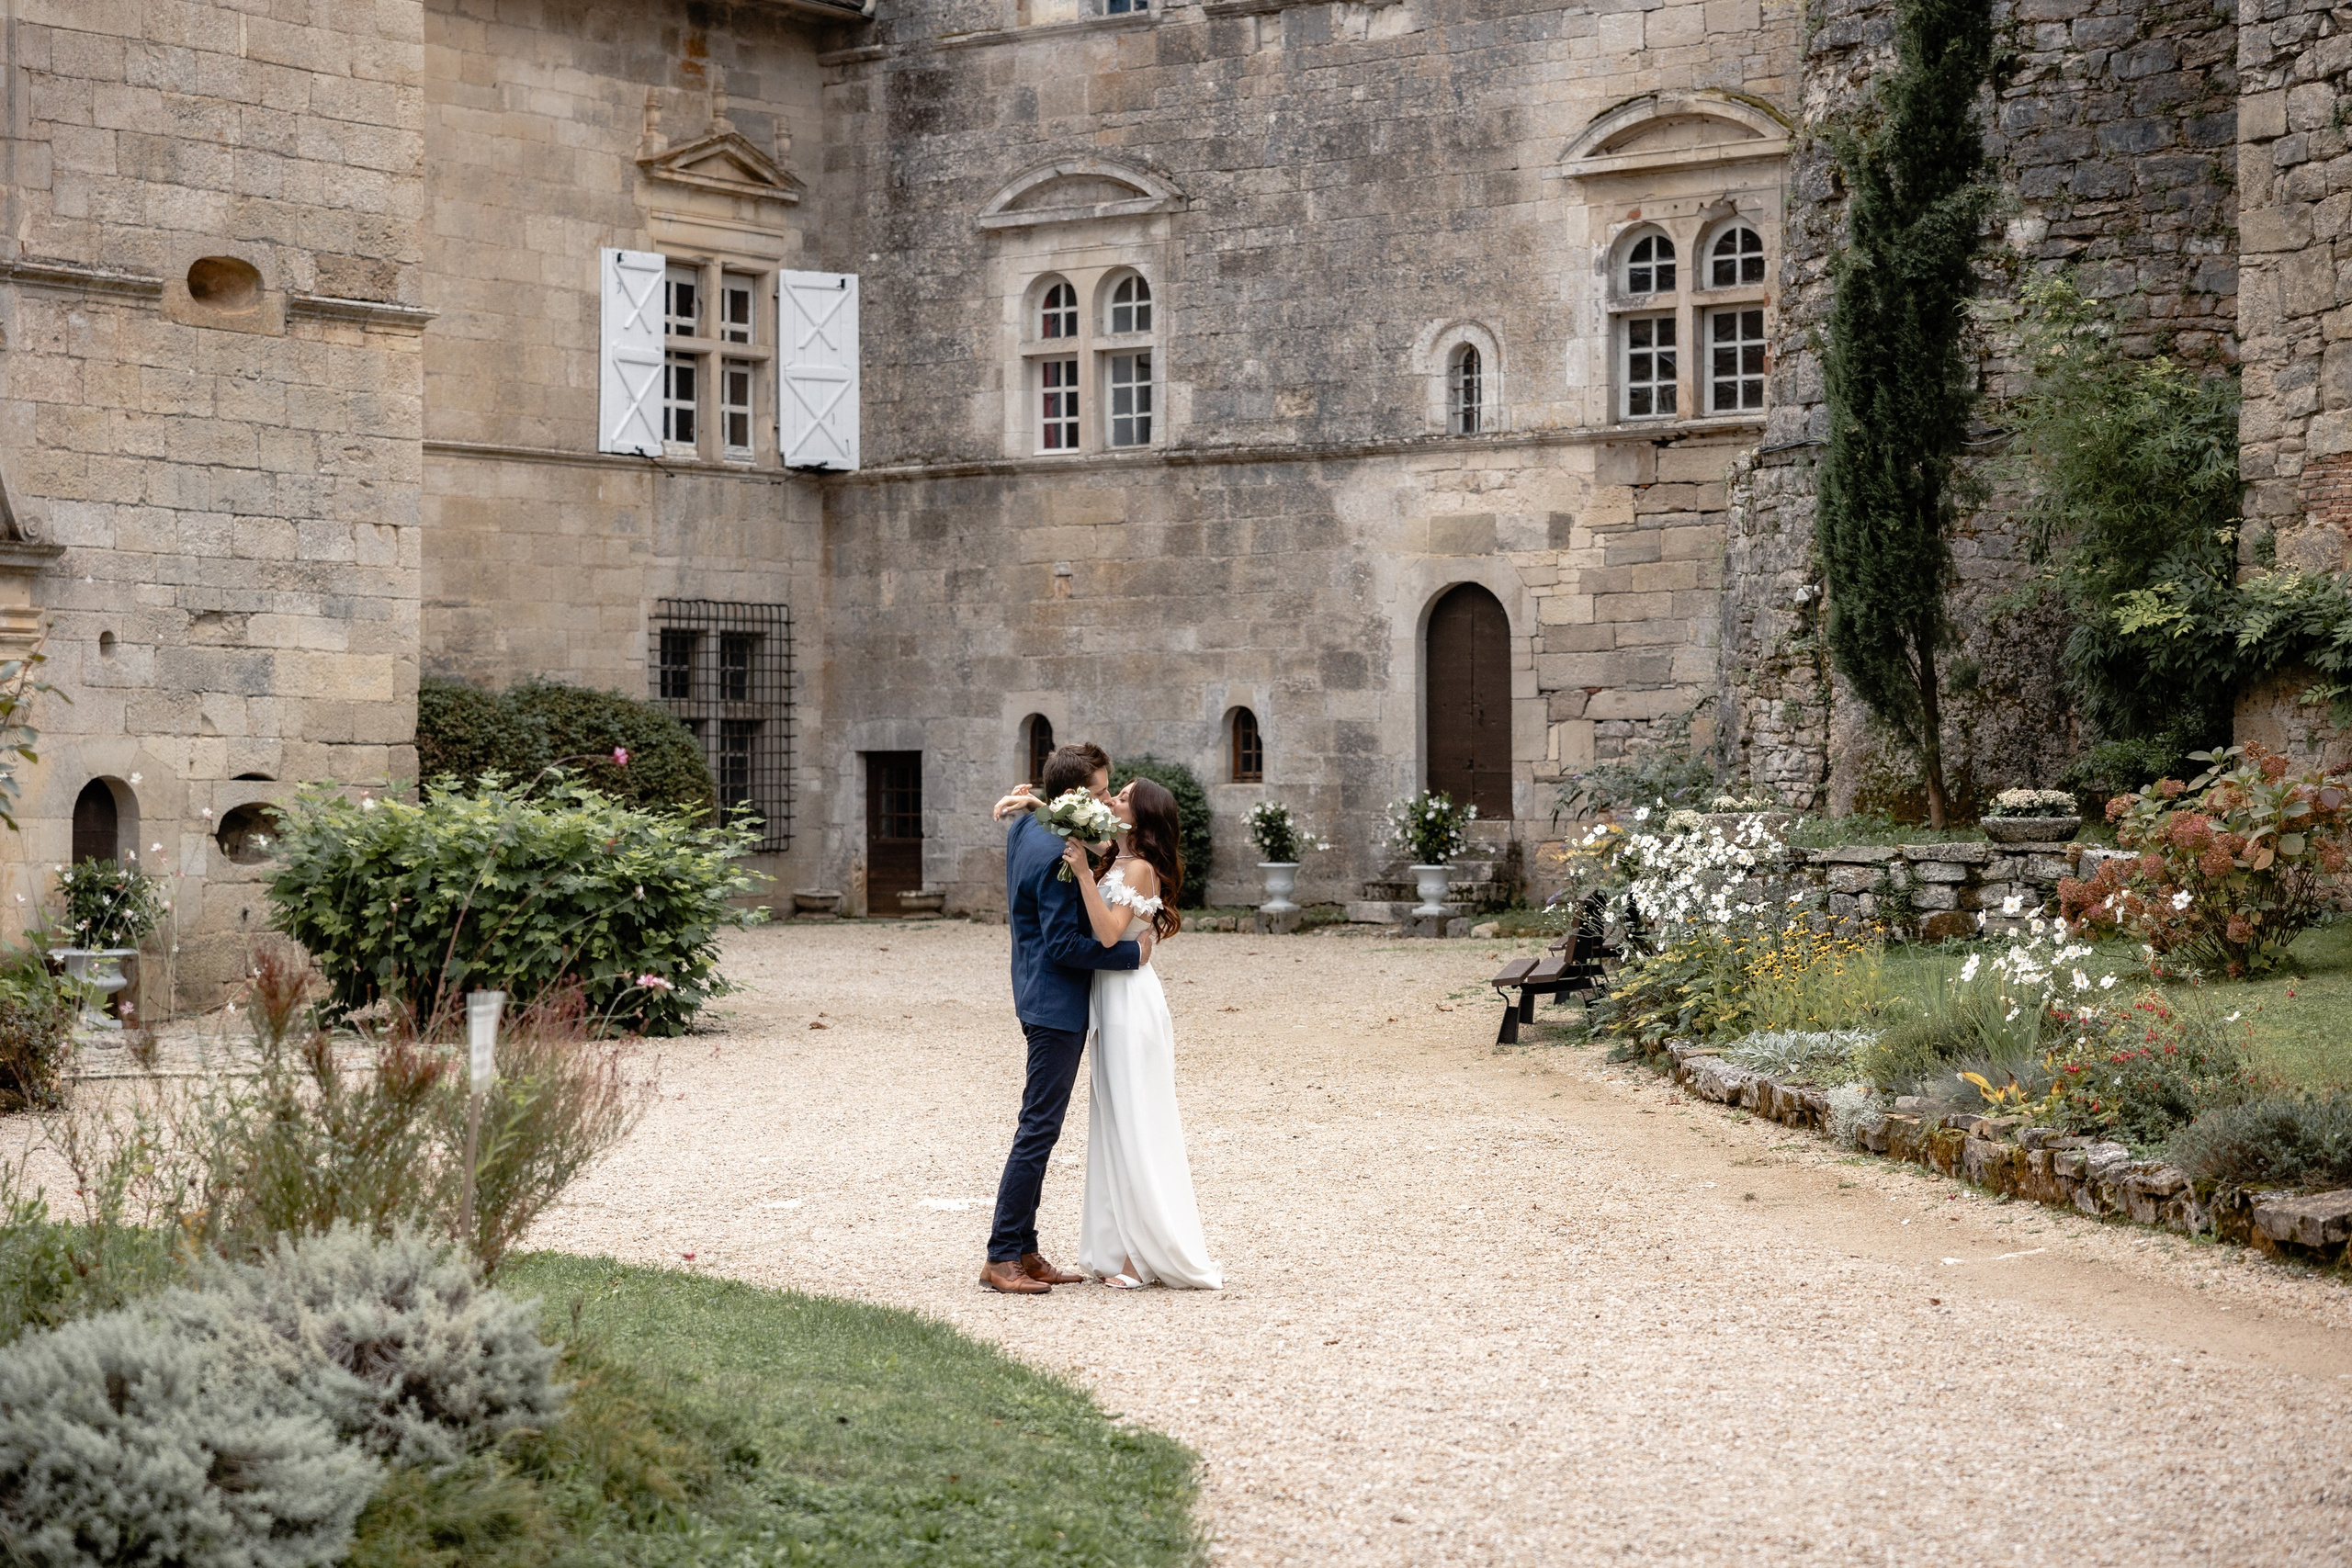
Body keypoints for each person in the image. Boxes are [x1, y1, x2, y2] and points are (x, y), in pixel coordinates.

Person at [980, 742, 1148, 1295]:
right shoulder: (1057, 852)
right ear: (1076, 794)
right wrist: (1132, 955)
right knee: (1038, 1128)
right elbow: (1064, 944)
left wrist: (1034, 804)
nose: (1108, 797)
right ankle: (1002, 1255)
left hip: (1030, 987)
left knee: (1041, 1127)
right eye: (1102, 791)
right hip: (1055, 1003)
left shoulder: (1029, 825)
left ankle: (1026, 1250)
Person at [1057, 778, 1221, 1291]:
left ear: (1143, 816)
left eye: (1124, 797)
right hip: (1108, 998)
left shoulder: (1140, 868)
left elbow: (1109, 934)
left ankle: (1140, 1258)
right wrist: (1035, 803)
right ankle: (1116, 1245)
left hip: (1130, 1002)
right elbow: (1071, 822)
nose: (1112, 800)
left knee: (1136, 1120)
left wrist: (1082, 875)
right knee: (1112, 1121)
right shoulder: (1114, 857)